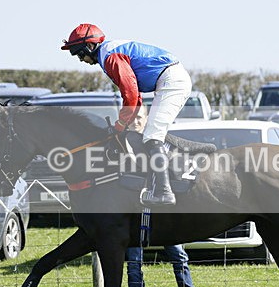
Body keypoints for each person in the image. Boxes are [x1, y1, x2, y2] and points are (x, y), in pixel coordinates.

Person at [60, 23, 192, 206]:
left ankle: (164, 192)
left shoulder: (110, 57)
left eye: (79, 53)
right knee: (151, 135)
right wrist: (124, 122)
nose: (80, 59)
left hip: (171, 81)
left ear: (90, 46)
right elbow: (135, 97)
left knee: (153, 137)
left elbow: (130, 93)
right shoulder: (107, 54)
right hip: (168, 79)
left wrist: (121, 124)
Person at [123, 106, 200, 287]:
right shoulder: (121, 144)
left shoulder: (159, 141)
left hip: (162, 212)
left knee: (179, 255)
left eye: (139, 117)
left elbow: (174, 166)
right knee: (134, 259)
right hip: (134, 211)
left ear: (147, 118)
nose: (135, 122)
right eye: (132, 118)